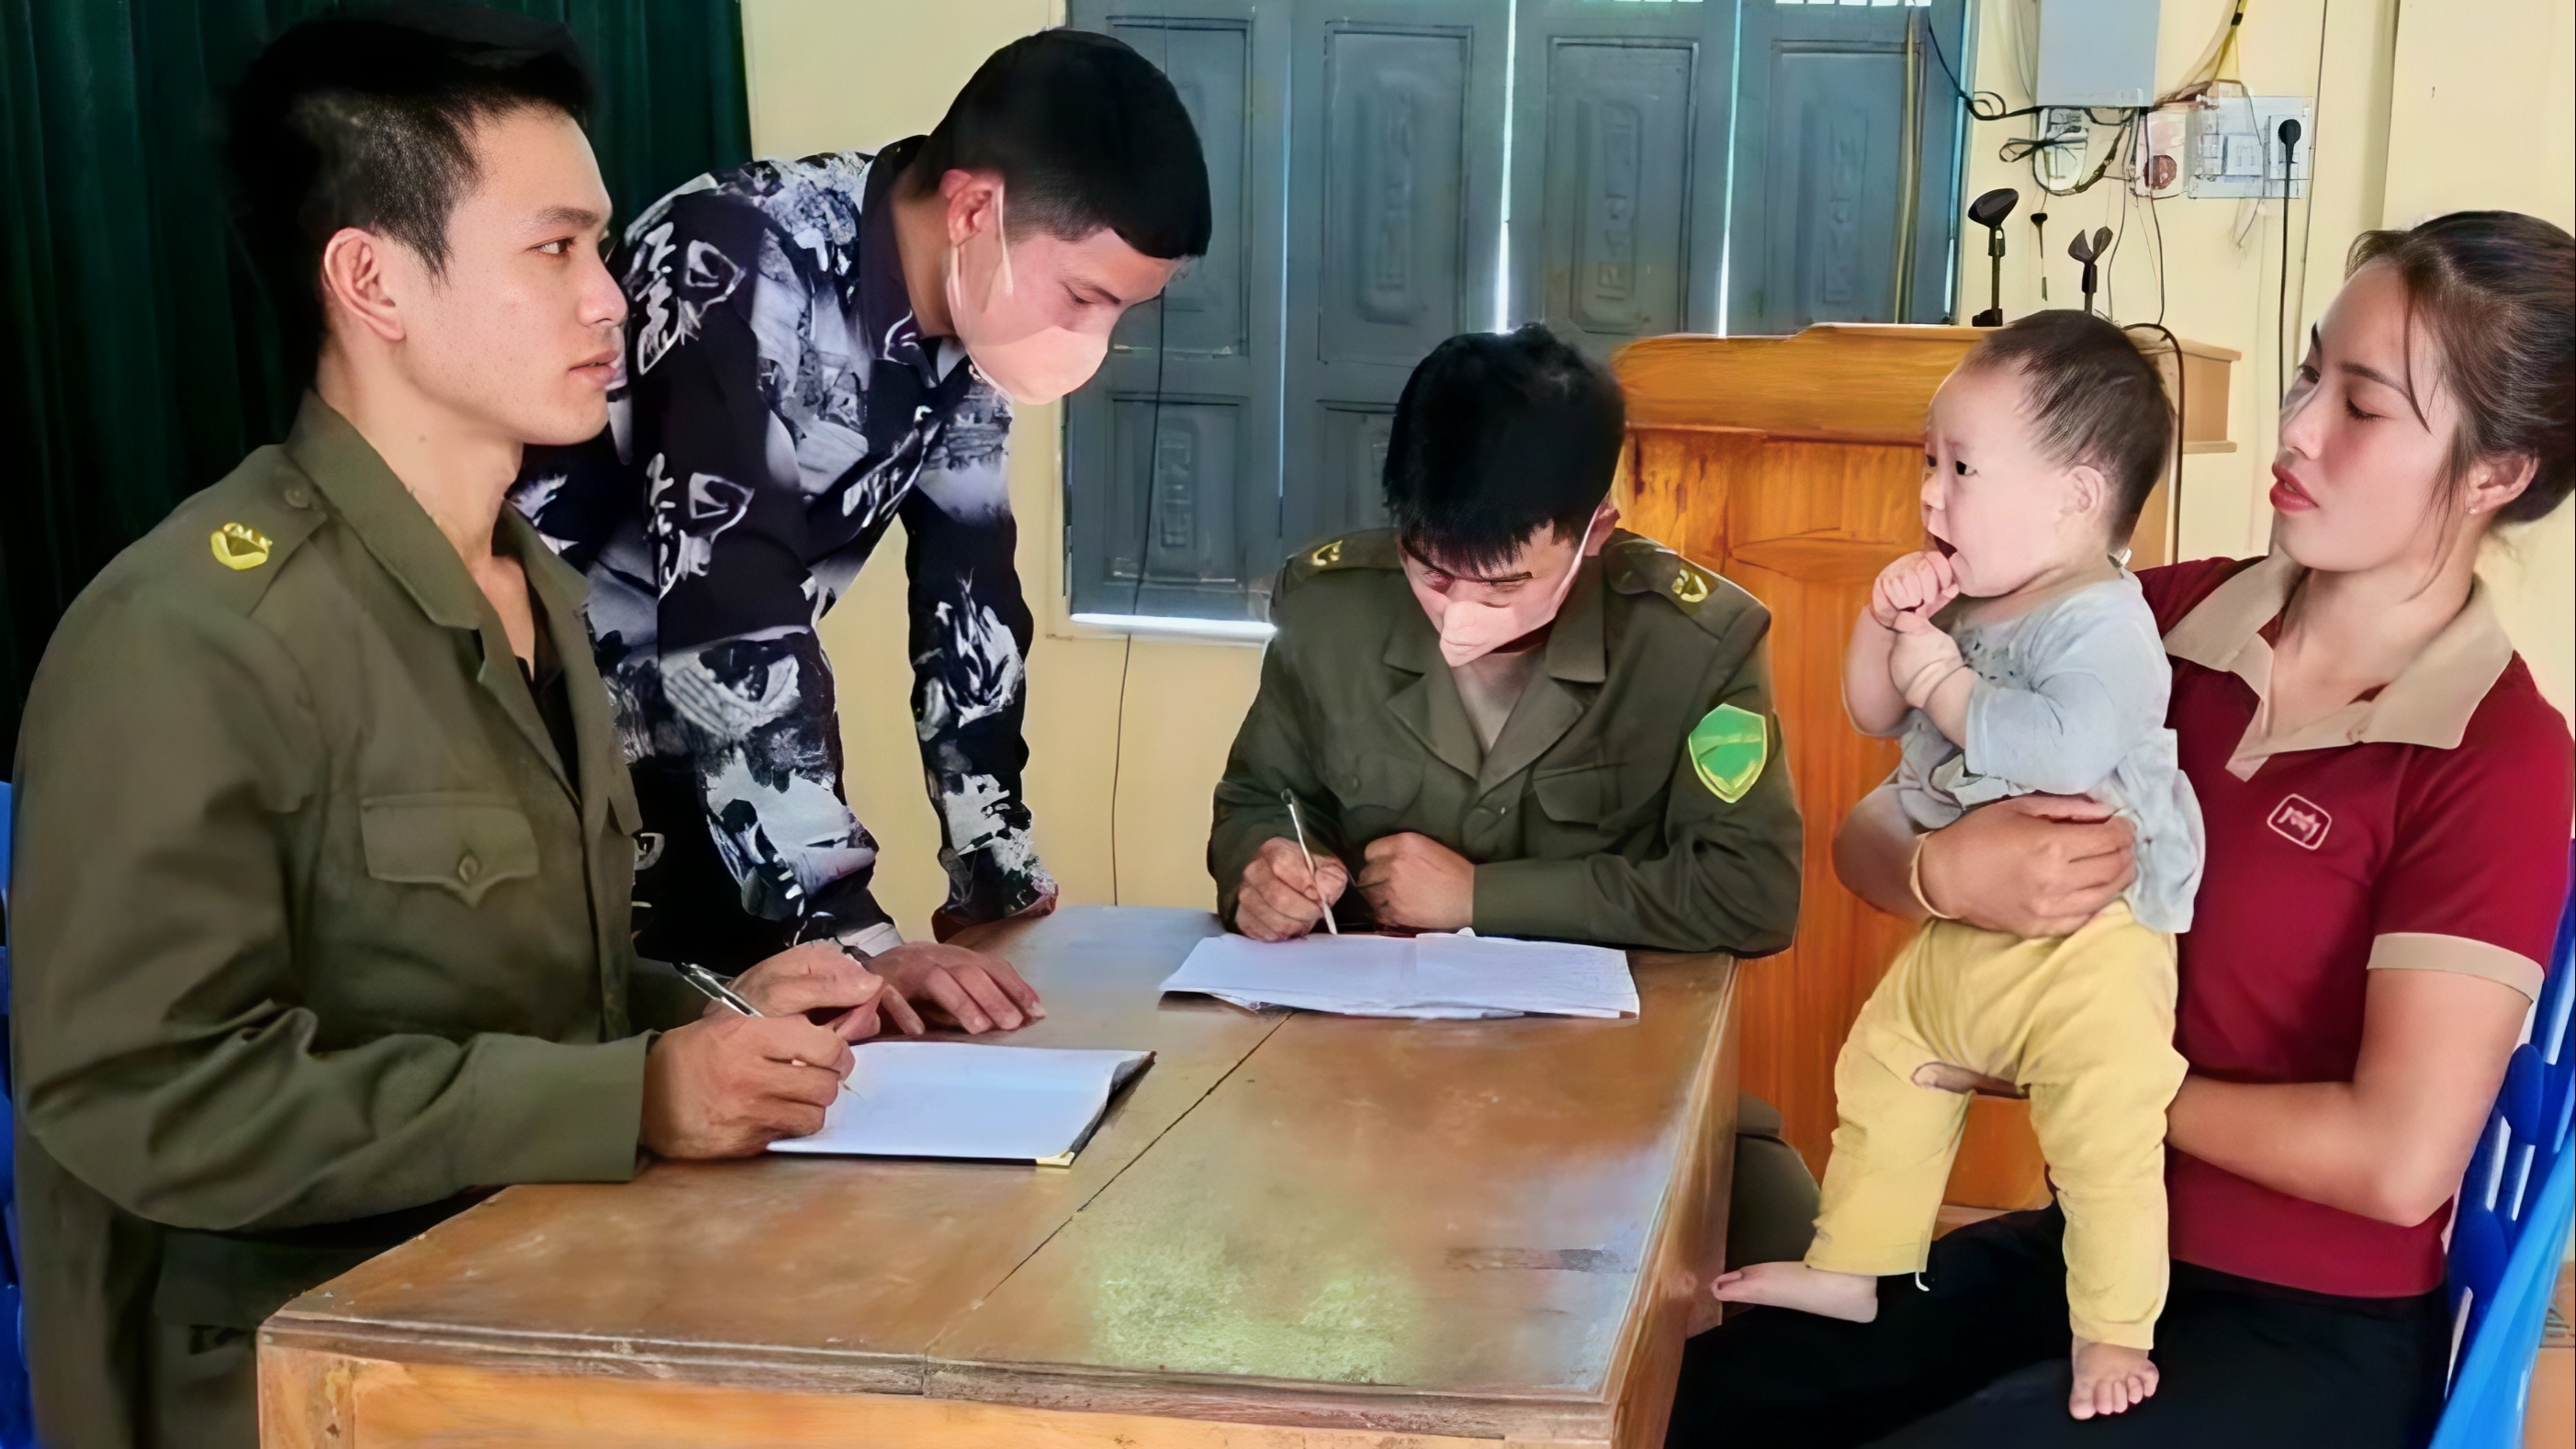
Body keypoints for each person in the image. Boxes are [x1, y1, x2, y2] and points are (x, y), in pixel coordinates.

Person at [8, 12, 897, 1446]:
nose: (609, 300)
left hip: (523, 1306)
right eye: (554, 251)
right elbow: (145, 1091)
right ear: (373, 281)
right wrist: (630, 1097)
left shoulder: (533, 585)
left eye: (600, 246)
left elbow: (505, 985)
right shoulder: (194, 633)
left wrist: (708, 1014)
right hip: (291, 1378)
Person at [1666, 210, 2574, 1448]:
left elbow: (2395, 1160)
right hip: (2091, 1251)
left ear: (2494, 474)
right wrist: (1942, 872)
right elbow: (1866, 835)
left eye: (2362, 406)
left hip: (2306, 1331)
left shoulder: (2497, 755)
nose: (2298, 427)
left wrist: (2092, 1076)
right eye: (2308, 373)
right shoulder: (2146, 624)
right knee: (1706, 1394)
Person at [512, 28, 1210, 1031]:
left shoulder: (967, 331)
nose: (1092, 341)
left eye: (1120, 313)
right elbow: (731, 602)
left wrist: (992, 874)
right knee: (617, 1086)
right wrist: (849, 928)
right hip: (547, 767)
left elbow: (969, 598)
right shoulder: (738, 255)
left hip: (720, 783)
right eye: (1083, 297)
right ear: (974, 211)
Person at [1710, 312, 2203, 1421]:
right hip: (1970, 926)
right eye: (1927, 464)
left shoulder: (2104, 626)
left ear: (2076, 496)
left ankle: (2113, 1331)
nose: (1932, 497)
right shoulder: (1969, 600)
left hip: (2091, 948)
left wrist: (1943, 679)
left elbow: (2061, 748)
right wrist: (1884, 628)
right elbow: (1871, 711)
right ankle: (1854, 1260)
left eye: (1963, 470)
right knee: (1887, 1061)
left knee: (2105, 1142)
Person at [1209, 323, 1803, 953]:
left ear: (1595, 532)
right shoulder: (1330, 610)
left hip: (1605, 1008)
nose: (1459, 613)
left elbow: (1750, 894)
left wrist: (1479, 897)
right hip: (1368, 1000)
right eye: (1433, 574)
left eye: (1503, 585)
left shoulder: (1695, 645)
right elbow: (1259, 799)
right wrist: (1266, 868)